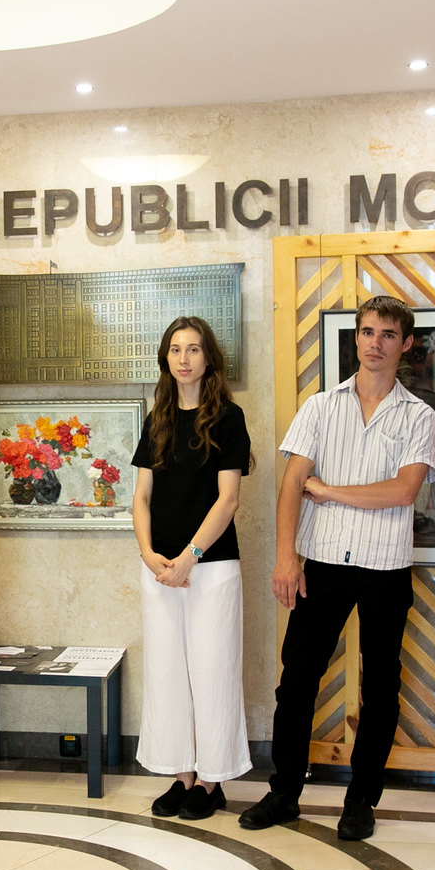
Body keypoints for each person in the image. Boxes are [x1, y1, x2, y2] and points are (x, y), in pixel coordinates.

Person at [241, 295, 435, 840]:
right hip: (322, 564)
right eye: (368, 332)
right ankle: (284, 793)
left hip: (385, 567)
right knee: (297, 681)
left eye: (388, 335)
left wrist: (328, 490)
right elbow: (291, 485)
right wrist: (286, 558)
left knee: (381, 688)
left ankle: (360, 802)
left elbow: (403, 491)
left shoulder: (419, 416)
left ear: (406, 344)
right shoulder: (320, 407)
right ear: (356, 337)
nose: (376, 343)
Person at [132, 316, 252, 821]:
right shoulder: (157, 419)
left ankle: (211, 780)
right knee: (166, 674)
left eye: (194, 349)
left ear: (209, 358)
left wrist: (189, 557)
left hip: (210, 566)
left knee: (212, 672)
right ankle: (181, 775)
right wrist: (148, 553)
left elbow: (228, 500)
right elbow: (141, 496)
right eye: (176, 349)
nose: (184, 358)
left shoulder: (228, 417)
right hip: (160, 569)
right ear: (166, 359)